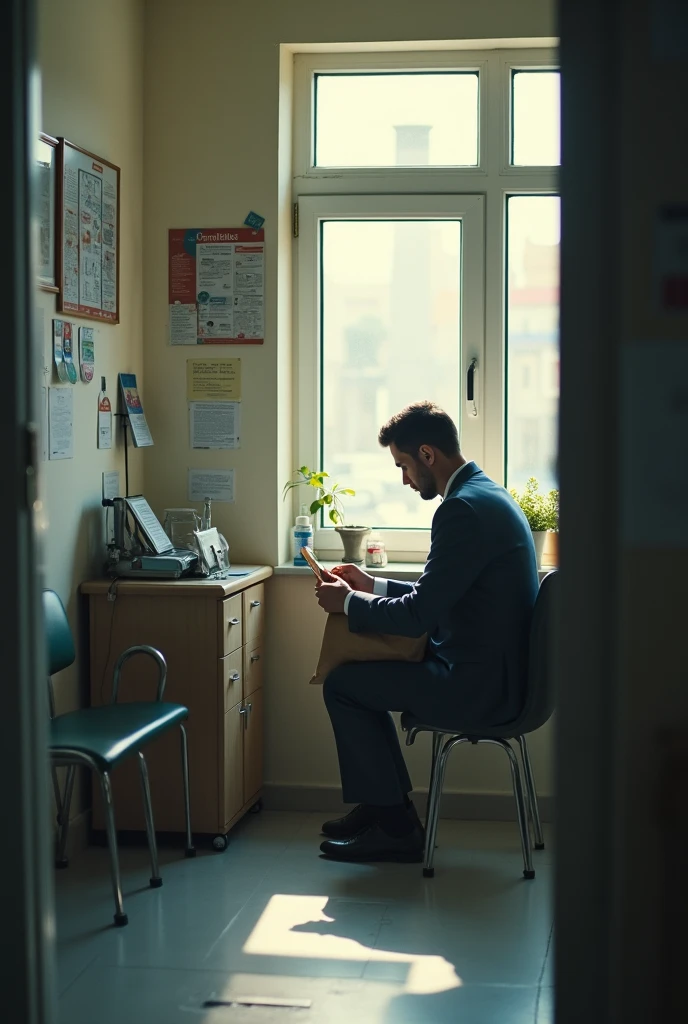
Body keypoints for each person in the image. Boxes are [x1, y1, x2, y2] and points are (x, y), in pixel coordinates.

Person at [314, 401, 539, 863]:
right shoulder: (486, 495)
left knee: (344, 686)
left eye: (403, 465)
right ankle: (384, 811)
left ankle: (395, 825)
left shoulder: (461, 512)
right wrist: (370, 584)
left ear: (427, 454)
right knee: (361, 679)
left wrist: (348, 603)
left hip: (477, 687)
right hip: (496, 674)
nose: (403, 478)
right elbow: (445, 591)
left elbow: (420, 616)